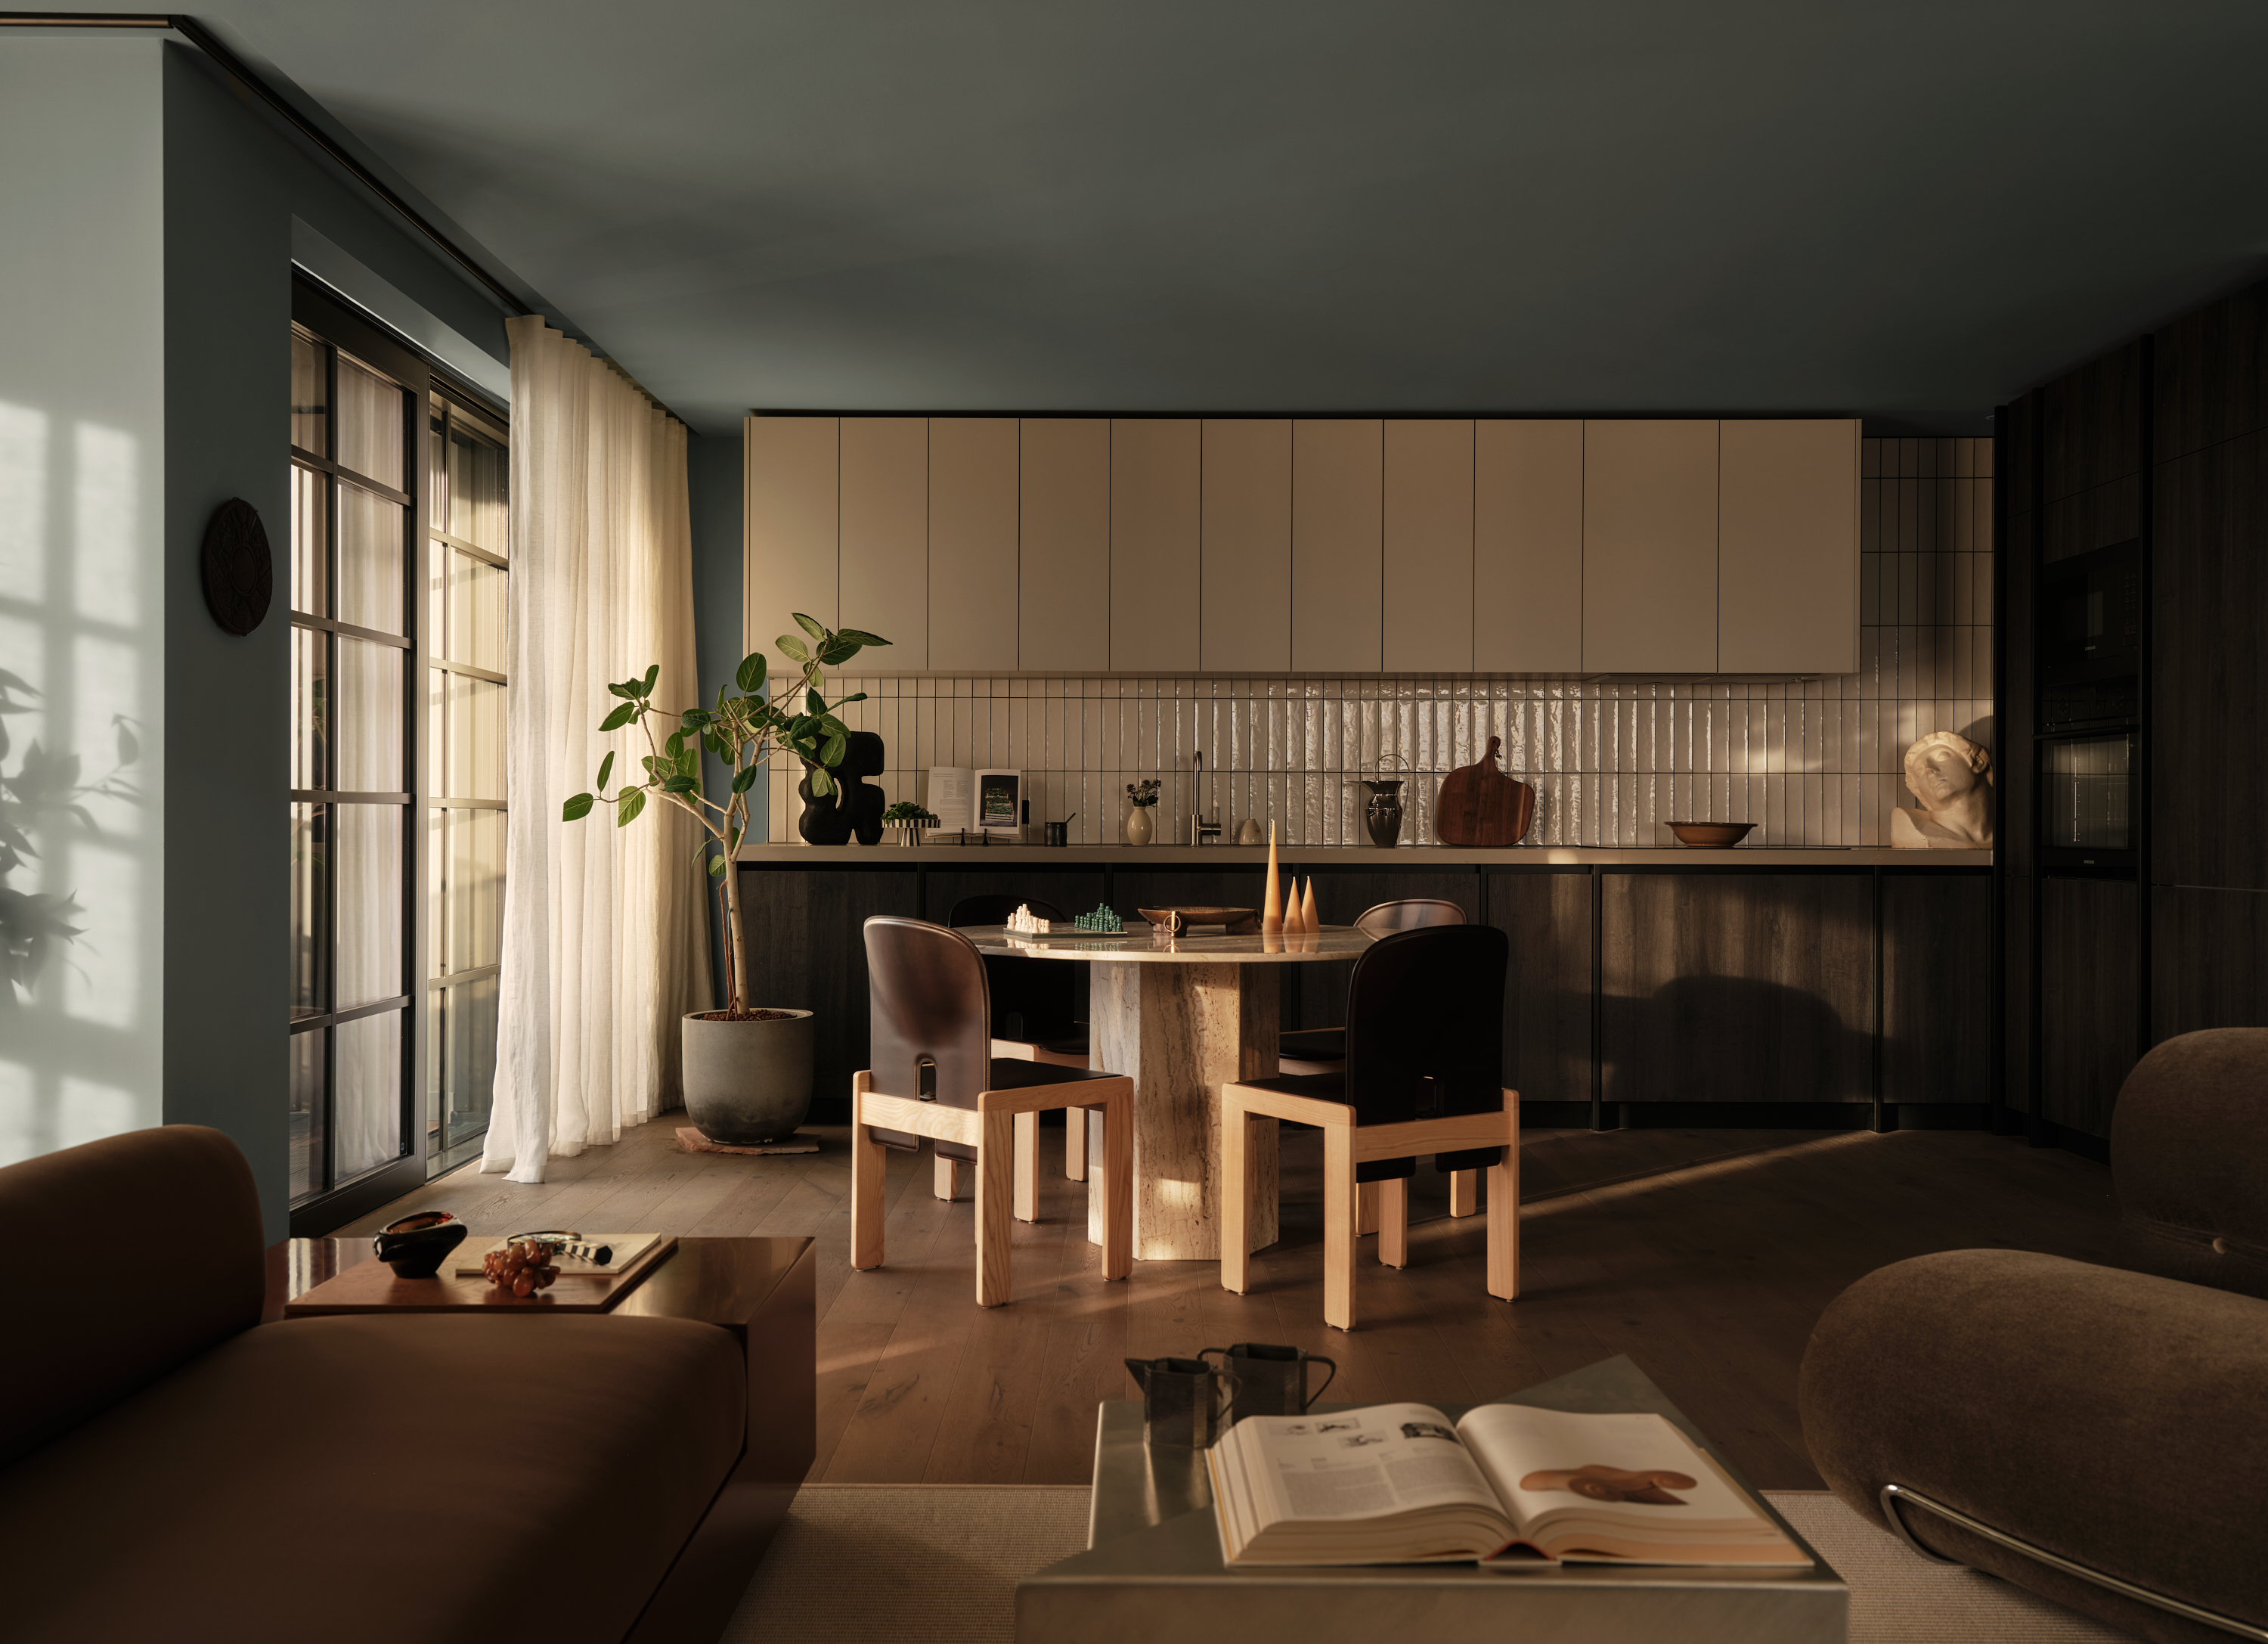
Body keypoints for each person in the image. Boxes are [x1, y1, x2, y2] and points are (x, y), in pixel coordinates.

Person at [1890, 730, 1994, 848]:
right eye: (1919, 771)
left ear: (1978, 763)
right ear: (1918, 789)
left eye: (1941, 757)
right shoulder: (1909, 825)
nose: (1929, 771)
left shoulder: (2013, 828)